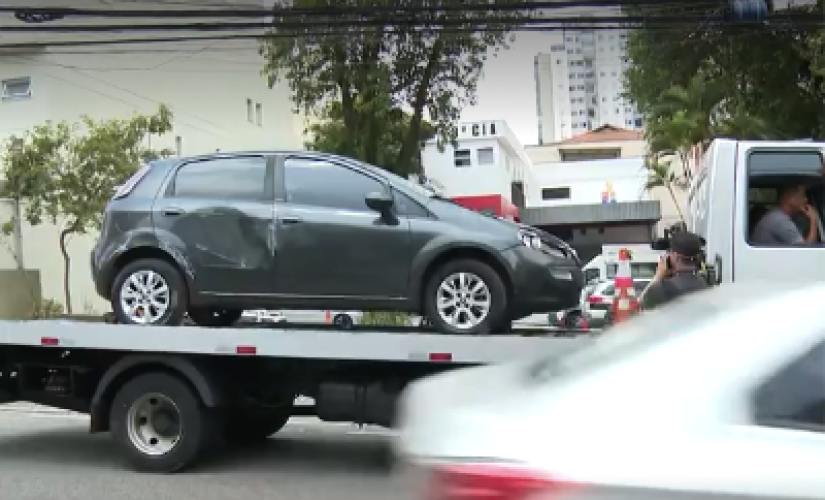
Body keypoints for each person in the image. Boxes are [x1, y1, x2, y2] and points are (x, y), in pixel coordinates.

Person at [640, 231, 709, 311]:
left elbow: (639, 308)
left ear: (676, 257)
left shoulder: (661, 289)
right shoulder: (705, 285)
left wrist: (657, 276)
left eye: (669, 252)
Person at [751, 184, 818, 245]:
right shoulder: (779, 220)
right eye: (802, 195)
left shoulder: (776, 215)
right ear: (792, 198)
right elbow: (805, 251)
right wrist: (813, 220)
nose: (806, 199)